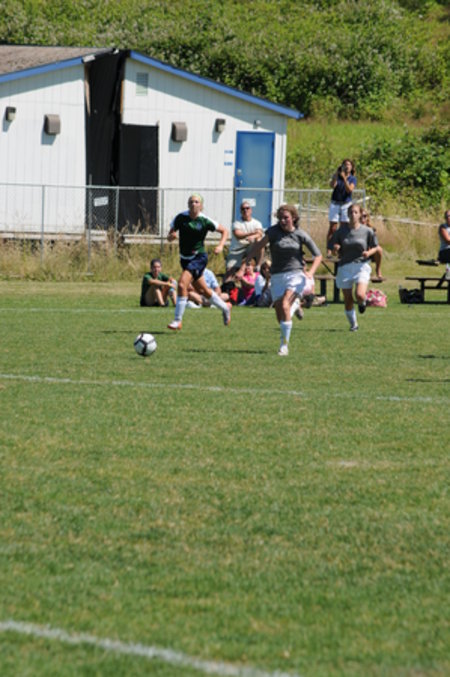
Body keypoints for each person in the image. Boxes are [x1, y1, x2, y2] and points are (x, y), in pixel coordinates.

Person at [240, 204, 322, 356]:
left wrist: (311, 272)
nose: (283, 221)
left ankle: (284, 346)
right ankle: (296, 305)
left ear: (294, 218)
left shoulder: (300, 234)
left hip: (295, 275)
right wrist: (247, 260)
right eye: (280, 218)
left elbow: (318, 255)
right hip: (277, 276)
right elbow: (259, 246)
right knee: (280, 315)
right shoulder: (273, 232)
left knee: (284, 305)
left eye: (286, 218)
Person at [167, 194, 231, 330]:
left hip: (199, 257)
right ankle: (225, 307)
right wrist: (171, 237)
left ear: (201, 206)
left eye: (196, 202)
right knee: (203, 290)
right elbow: (170, 235)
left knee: (182, 284)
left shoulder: (204, 220)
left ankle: (177, 320)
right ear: (188, 204)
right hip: (184, 259)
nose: (193, 204)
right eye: (191, 201)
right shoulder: (180, 218)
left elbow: (224, 231)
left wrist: (221, 246)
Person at [329, 203, 382, 332]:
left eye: (355, 212)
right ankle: (354, 325)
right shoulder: (341, 231)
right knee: (348, 299)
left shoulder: (367, 231)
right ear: (347, 214)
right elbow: (333, 250)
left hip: (361, 265)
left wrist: (368, 253)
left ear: (360, 215)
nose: (353, 215)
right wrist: (335, 249)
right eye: (351, 212)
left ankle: (362, 302)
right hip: (345, 266)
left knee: (359, 294)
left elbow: (376, 247)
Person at [224, 200, 264, 283]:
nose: (245, 210)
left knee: (260, 241)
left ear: (251, 210)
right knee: (229, 272)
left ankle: (258, 265)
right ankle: (227, 288)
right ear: (240, 211)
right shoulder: (236, 223)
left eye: (247, 208)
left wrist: (253, 236)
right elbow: (238, 235)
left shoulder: (257, 223)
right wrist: (252, 233)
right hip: (237, 250)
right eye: (243, 209)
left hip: (251, 248)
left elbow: (260, 234)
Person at [326, 159, 357, 253]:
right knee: (333, 227)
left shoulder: (352, 179)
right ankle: (329, 249)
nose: (347, 166)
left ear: (351, 167)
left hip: (346, 204)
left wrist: (344, 179)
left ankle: (342, 250)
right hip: (335, 203)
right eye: (345, 164)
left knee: (344, 227)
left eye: (349, 165)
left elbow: (349, 190)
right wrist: (336, 175)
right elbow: (332, 185)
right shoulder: (337, 177)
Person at [360, 208, 384, 280]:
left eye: (365, 216)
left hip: (369, 251)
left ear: (367, 218)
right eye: (361, 217)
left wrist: (370, 250)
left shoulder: (371, 229)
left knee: (379, 249)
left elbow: (375, 244)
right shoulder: (354, 228)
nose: (363, 219)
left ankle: (378, 269)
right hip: (358, 251)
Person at [438, 209, 450, 279]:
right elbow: (448, 240)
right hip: (444, 252)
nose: (449, 217)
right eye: (447, 216)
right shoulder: (443, 227)